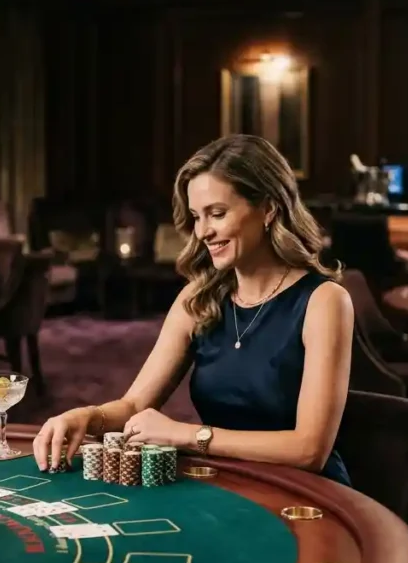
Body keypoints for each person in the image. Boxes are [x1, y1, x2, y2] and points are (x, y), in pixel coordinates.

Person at [34, 134, 354, 486]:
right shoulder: (198, 299)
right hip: (229, 481)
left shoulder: (324, 302)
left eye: (217, 214)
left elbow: (309, 450)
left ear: (268, 208)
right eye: (196, 217)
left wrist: (187, 435)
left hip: (309, 495)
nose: (202, 231)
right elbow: (134, 405)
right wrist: (87, 416)